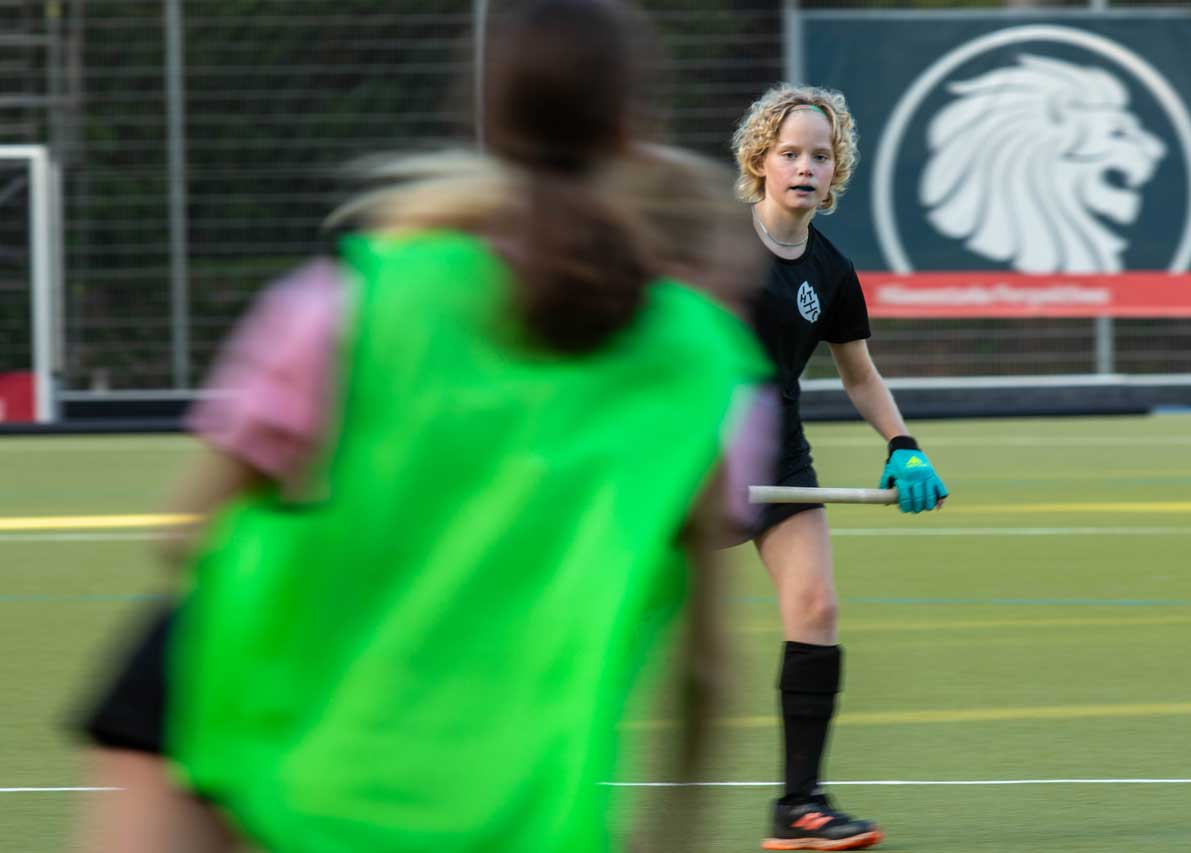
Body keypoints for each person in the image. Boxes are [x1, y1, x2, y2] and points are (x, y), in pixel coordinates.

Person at [71, 2, 774, 851]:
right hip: (502, 796)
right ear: (636, 130)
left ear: (487, 119)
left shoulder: (349, 303)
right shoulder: (708, 378)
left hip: (274, 744)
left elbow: (189, 536)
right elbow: (704, 668)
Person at [730, 84, 949, 851]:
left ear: (835, 173)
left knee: (816, 608)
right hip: (688, 465)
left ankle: (801, 805)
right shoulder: (714, 246)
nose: (804, 166)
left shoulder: (831, 269)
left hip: (779, 462)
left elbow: (859, 374)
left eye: (819, 156)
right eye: (789, 152)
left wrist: (904, 445)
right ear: (760, 161)